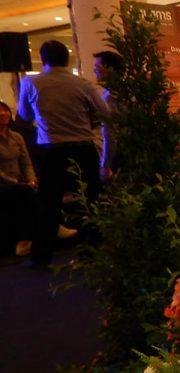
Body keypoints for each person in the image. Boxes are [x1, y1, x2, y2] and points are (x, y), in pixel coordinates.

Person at [17, 39, 109, 267]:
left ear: (43, 59)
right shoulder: (83, 84)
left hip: (51, 151)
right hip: (83, 149)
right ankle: (92, 253)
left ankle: (42, 257)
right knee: (89, 201)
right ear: (67, 59)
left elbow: (24, 115)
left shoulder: (31, 82)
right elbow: (105, 112)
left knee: (48, 204)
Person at [0, 101, 36, 256]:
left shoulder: (17, 137)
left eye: (5, 110)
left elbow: (26, 162)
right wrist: (17, 183)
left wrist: (31, 179)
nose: (3, 114)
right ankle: (27, 239)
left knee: (38, 188)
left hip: (20, 182)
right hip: (4, 183)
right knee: (23, 192)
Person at [93, 49, 123, 179]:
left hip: (120, 155)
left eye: (97, 67)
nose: (95, 71)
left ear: (110, 69)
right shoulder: (128, 91)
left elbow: (110, 133)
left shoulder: (110, 97)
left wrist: (105, 164)